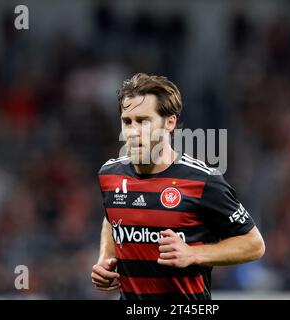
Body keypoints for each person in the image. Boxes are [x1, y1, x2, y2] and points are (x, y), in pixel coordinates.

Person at [91, 73, 265, 300]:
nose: (133, 131)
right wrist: (105, 257)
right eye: (127, 121)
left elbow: (254, 244)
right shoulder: (110, 175)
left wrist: (194, 253)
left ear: (169, 122)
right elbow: (112, 217)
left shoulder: (203, 180)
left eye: (143, 121)